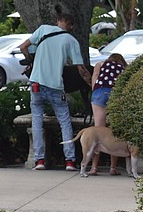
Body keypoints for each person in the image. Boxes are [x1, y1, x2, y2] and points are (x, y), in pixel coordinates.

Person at [19, 13, 92, 171]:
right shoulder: (71, 40)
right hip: (56, 86)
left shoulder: (43, 29)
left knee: (37, 121)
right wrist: (92, 83)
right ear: (71, 26)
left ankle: (39, 161)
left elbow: (23, 47)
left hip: (36, 83)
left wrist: (31, 60)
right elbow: (81, 69)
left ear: (58, 21)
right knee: (65, 123)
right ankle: (70, 161)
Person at [88, 53, 128, 175]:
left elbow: (94, 78)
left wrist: (96, 91)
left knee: (98, 131)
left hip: (99, 93)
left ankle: (94, 168)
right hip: (115, 95)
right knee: (113, 131)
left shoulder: (100, 64)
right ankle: (113, 168)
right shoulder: (124, 68)